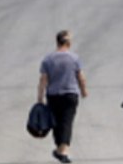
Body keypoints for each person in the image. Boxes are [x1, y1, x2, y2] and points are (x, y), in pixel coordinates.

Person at [38, 30, 89, 164]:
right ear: (68, 42)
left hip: (53, 96)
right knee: (66, 122)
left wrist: (40, 97)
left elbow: (43, 79)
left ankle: (61, 149)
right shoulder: (74, 58)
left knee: (56, 123)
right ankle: (62, 150)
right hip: (70, 95)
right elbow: (81, 77)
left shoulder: (48, 59)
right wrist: (84, 91)